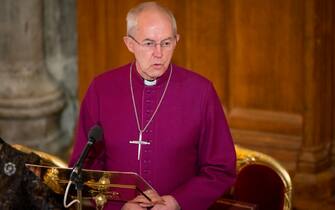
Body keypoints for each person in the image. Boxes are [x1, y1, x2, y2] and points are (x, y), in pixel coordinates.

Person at [69, 2, 236, 210]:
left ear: (176, 41)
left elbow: (221, 168)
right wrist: (117, 206)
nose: (159, 53)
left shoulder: (201, 92)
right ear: (129, 44)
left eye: (166, 43)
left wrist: (177, 202)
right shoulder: (101, 89)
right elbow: (83, 167)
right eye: (149, 43)